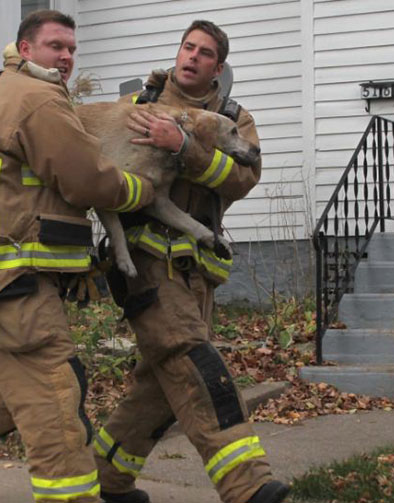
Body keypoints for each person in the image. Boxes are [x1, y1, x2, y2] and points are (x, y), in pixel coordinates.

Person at [0, 10, 158, 503]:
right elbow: (88, 179)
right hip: (12, 276)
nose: (66, 57)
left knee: (14, 385)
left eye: (71, 49)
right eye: (55, 46)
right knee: (54, 402)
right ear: (24, 49)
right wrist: (141, 190)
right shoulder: (38, 100)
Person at [93, 20, 290, 503]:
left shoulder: (233, 117)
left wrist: (185, 148)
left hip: (199, 270)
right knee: (193, 363)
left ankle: (105, 478)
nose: (191, 57)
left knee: (159, 387)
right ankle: (248, 485)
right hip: (145, 266)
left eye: (204, 53)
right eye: (187, 47)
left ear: (217, 68)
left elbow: (243, 178)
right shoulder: (139, 107)